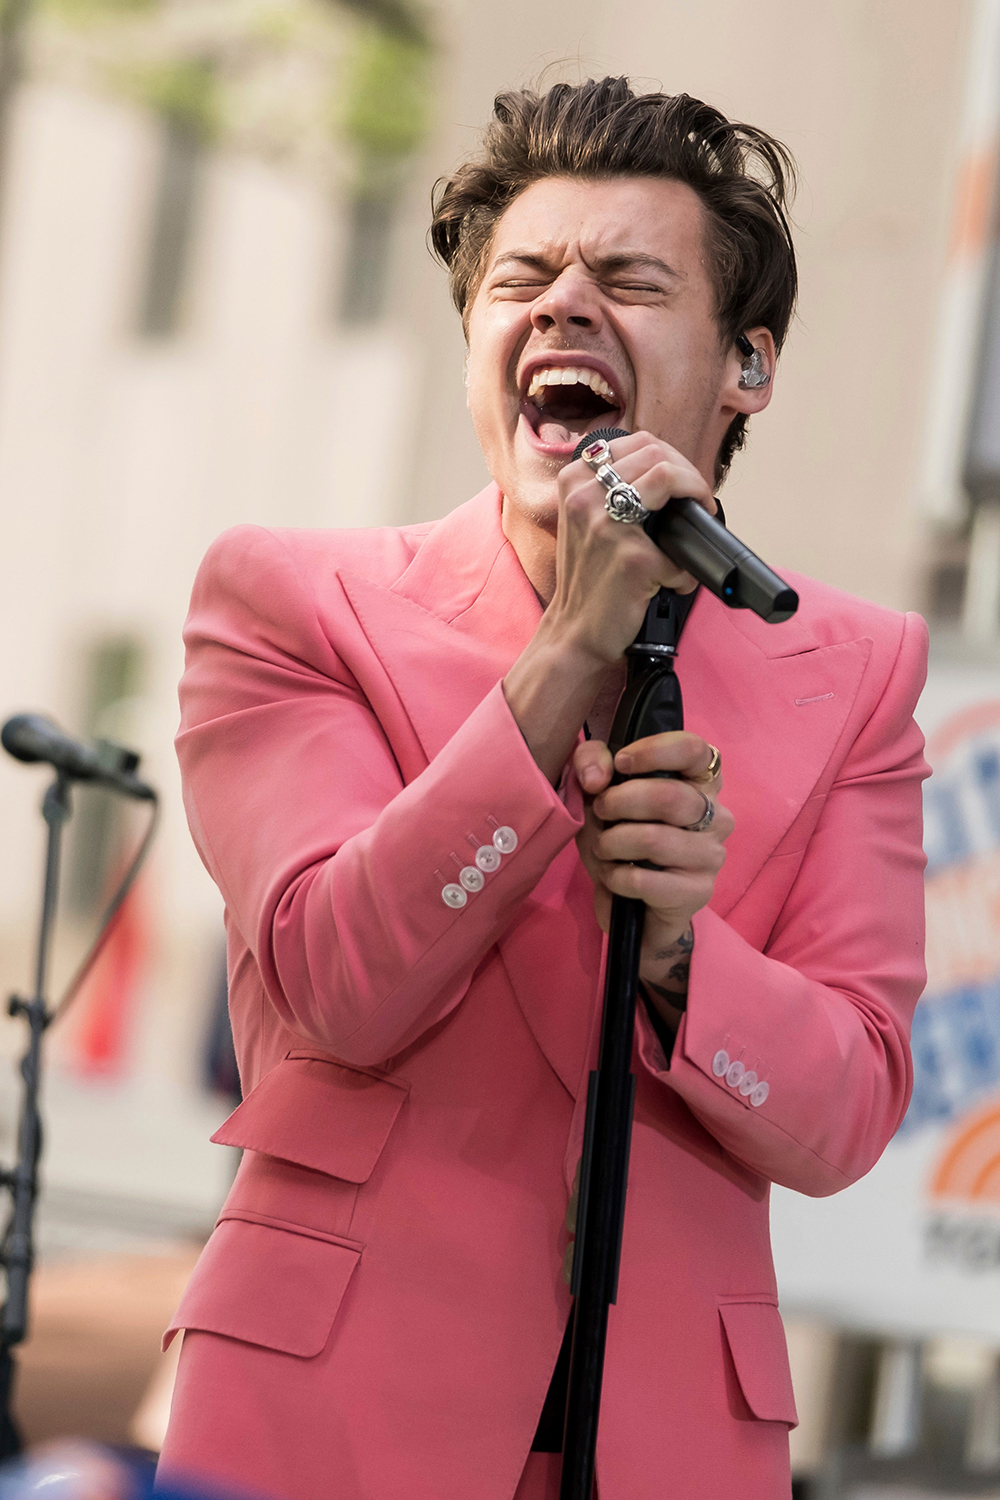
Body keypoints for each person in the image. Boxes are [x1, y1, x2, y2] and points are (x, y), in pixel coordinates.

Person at [158, 79, 928, 1500]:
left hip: (668, 1444)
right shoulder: (290, 602)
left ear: (748, 367)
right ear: (476, 343)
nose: (564, 304)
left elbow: (854, 1107)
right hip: (332, 1412)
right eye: (523, 279)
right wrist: (571, 651)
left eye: (630, 280)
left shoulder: (858, 672)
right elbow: (337, 978)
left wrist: (691, 957)